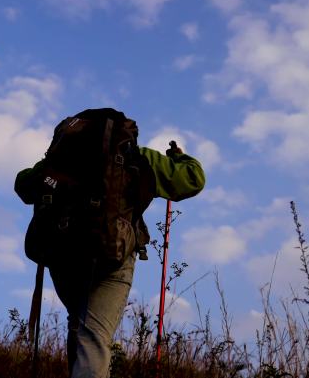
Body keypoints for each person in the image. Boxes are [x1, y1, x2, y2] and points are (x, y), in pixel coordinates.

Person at [14, 108, 205, 378]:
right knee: (93, 336)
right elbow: (193, 179)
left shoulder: (61, 158)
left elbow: (24, 185)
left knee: (79, 327)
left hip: (63, 258)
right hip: (112, 256)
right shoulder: (138, 157)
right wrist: (179, 156)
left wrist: (49, 163)